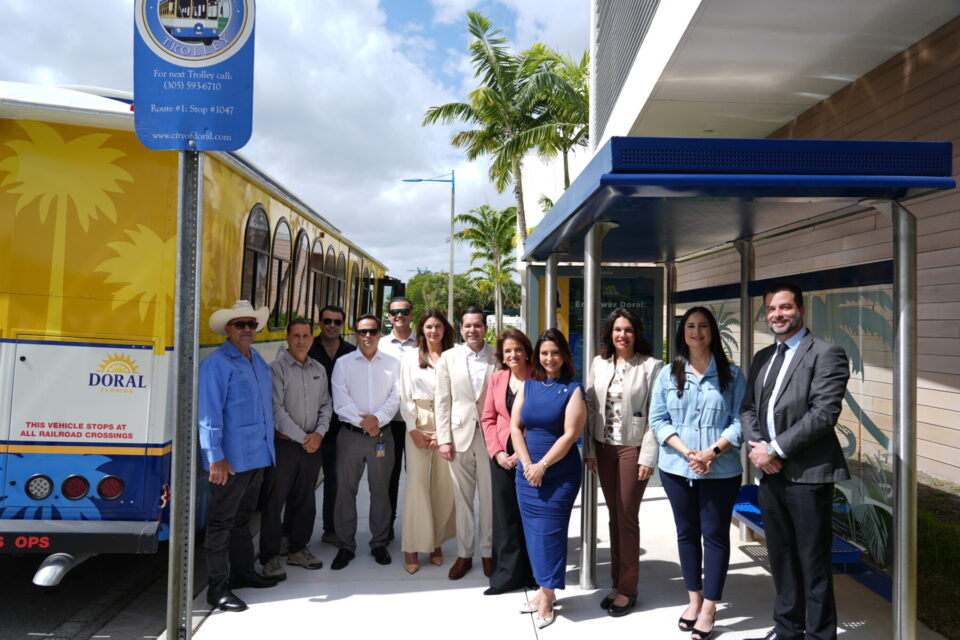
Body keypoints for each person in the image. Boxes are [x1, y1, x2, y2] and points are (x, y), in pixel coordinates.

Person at [741, 283, 850, 640]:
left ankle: (820, 634)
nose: (778, 315)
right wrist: (759, 449)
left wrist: (775, 450)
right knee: (782, 557)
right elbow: (747, 410)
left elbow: (823, 414)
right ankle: (788, 627)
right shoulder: (763, 358)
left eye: (785, 308)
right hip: (770, 476)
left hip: (808, 476)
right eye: (772, 309)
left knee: (813, 562)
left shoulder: (826, 353)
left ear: (800, 310)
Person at [649, 306, 747, 640]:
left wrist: (711, 452)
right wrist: (687, 452)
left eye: (703, 326)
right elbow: (659, 420)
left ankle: (710, 607)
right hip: (677, 468)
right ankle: (694, 600)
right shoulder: (668, 374)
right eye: (690, 326)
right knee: (686, 533)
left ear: (712, 332)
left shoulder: (732, 375)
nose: (696, 332)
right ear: (683, 333)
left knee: (715, 535)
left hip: (721, 470)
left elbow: (740, 421)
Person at [198, 300, 279, 613]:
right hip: (229, 461)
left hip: (257, 455)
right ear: (228, 330)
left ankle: (243, 573)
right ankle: (217, 588)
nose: (247, 329)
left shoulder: (257, 360)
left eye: (251, 324)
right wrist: (215, 457)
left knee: (243, 520)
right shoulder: (216, 364)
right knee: (220, 523)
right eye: (240, 325)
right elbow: (209, 414)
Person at [583, 307, 663, 617]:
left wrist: (648, 456)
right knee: (614, 517)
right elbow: (590, 409)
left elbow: (656, 415)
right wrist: (588, 450)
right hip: (603, 448)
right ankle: (616, 583)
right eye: (617, 329)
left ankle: (628, 589)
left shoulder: (651, 367)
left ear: (637, 333)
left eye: (628, 329)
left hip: (633, 448)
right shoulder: (599, 364)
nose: (622, 335)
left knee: (627, 516)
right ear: (609, 333)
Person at [511, 328, 586, 629]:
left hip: (559, 474)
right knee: (533, 534)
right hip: (527, 473)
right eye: (544, 353)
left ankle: (548, 596)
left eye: (555, 352)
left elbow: (570, 435)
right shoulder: (527, 386)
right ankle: (544, 589)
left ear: (564, 356)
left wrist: (541, 465)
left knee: (551, 534)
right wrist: (528, 464)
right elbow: (516, 428)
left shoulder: (573, 389)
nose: (550, 358)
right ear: (537, 357)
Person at [260, 318, 332, 580]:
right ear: (287, 339)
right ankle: (269, 557)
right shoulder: (275, 369)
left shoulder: (319, 369)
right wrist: (304, 437)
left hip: (312, 445)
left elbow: (326, 405)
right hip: (286, 445)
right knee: (274, 501)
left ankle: (297, 549)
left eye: (306, 336)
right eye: (296, 336)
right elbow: (276, 409)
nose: (302, 341)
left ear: (312, 339)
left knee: (305, 500)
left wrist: (319, 434)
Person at [329, 314, 401, 570]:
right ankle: (345, 546)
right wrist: (365, 422)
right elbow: (340, 399)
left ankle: (379, 543)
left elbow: (396, 396)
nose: (367, 336)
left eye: (372, 331)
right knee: (345, 492)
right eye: (362, 332)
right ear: (355, 334)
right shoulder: (343, 363)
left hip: (382, 435)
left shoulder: (393, 364)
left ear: (380, 333)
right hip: (350, 436)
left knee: (381, 490)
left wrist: (378, 420)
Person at [435, 307, 496, 580]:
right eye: (467, 326)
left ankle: (487, 553)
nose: (472, 330)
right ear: (461, 329)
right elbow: (442, 401)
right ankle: (464, 554)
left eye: (478, 325)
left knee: (489, 499)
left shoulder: (498, 355)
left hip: (491, 437)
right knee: (463, 500)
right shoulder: (449, 358)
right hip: (459, 436)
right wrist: (444, 439)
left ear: (486, 328)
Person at [398, 308, 457, 574]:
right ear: (421, 329)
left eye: (438, 327)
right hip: (419, 421)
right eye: (429, 326)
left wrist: (446, 433)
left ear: (445, 329)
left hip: (447, 423)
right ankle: (412, 545)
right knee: (417, 487)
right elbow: (404, 394)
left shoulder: (454, 357)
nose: (433, 331)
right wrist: (413, 428)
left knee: (443, 487)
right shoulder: (411, 357)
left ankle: (435, 541)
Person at [480, 328, 536, 595]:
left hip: (531, 456)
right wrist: (497, 453)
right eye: (507, 351)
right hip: (501, 457)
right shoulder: (497, 378)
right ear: (502, 355)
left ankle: (532, 574)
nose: (513, 354)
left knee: (530, 516)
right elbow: (488, 418)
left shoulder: (538, 377)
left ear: (526, 351)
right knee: (505, 516)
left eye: (517, 349)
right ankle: (506, 576)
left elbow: (542, 418)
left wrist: (521, 454)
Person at [307, 305, 356, 546]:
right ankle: (296, 535)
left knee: (335, 482)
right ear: (320, 322)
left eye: (337, 322)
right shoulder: (308, 347)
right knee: (304, 485)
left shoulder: (351, 352)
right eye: (328, 321)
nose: (332, 326)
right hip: (310, 427)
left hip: (339, 429)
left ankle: (331, 530)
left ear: (343, 324)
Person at [378, 296, 416, 542]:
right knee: (387, 478)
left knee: (416, 479)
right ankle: (386, 527)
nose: (399, 315)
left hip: (416, 424)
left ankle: (415, 529)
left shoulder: (422, 343)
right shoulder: (380, 345)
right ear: (388, 316)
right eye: (394, 312)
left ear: (411, 314)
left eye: (404, 311)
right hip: (388, 423)